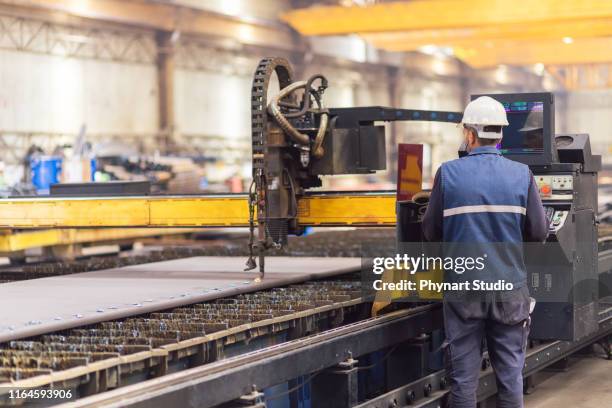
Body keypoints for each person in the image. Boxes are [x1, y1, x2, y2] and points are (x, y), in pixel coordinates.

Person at [422, 96, 548, 408]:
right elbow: (539, 232)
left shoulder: (448, 174)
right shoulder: (521, 174)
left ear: (469, 134)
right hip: (508, 288)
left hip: (464, 291)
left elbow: (429, 231)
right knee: (510, 375)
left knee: (464, 380)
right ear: (501, 135)